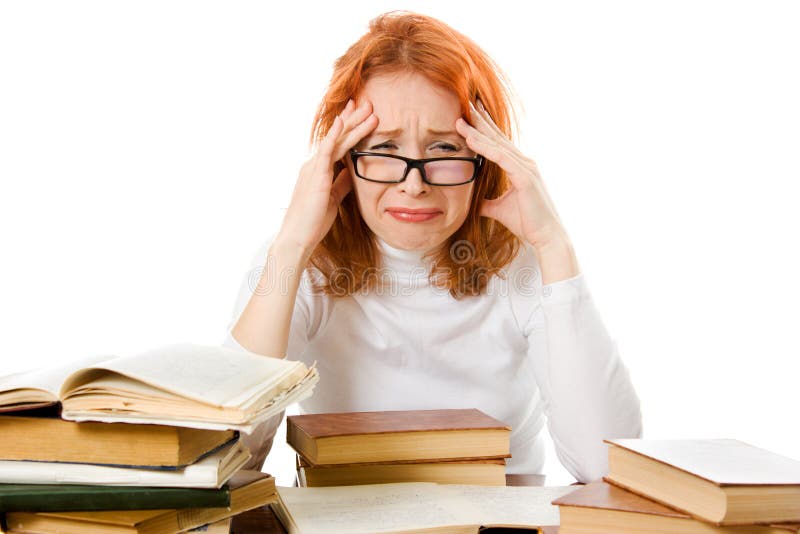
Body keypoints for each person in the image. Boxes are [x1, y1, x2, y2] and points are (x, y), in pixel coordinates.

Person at [222, 10, 642, 483]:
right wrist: (291, 247)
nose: (414, 184)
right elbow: (225, 455)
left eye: (444, 151)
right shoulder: (301, 261)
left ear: (484, 157)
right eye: (384, 149)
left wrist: (553, 245)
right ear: (342, 159)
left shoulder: (520, 265)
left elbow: (608, 466)